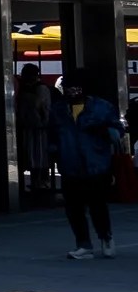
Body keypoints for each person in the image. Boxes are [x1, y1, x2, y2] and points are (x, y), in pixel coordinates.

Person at [50, 71, 126, 260]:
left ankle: (106, 237)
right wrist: (53, 152)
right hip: (70, 164)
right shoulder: (59, 109)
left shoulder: (101, 107)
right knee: (74, 208)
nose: (72, 90)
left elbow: (118, 130)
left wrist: (105, 130)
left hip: (96, 164)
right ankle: (83, 244)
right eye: (68, 86)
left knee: (97, 206)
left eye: (76, 86)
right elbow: (52, 135)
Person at [14, 63, 56, 203]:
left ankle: (41, 182)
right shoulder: (31, 88)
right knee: (32, 157)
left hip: (40, 129)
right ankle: (36, 182)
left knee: (39, 157)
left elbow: (39, 105)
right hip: (30, 127)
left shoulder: (40, 89)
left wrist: (25, 97)